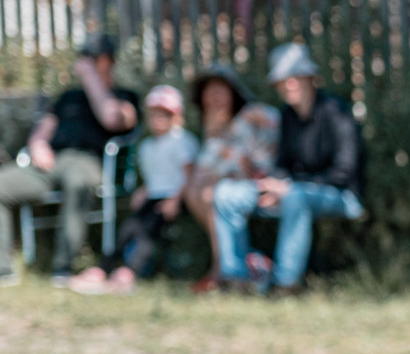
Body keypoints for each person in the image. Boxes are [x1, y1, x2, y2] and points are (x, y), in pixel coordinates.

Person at [211, 43, 365, 295]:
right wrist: (270, 186)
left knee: (296, 197)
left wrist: (289, 187)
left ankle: (285, 284)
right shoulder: (288, 116)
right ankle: (237, 278)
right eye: (283, 80)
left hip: (341, 196)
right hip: (292, 191)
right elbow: (283, 165)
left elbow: (343, 173)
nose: (289, 85)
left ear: (309, 79)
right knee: (226, 193)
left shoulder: (336, 112)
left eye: (294, 78)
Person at [0, 33, 141, 284]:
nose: (86, 63)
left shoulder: (125, 96)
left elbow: (112, 118)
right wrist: (38, 145)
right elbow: (43, 128)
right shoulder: (67, 97)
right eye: (84, 58)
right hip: (50, 163)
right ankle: (3, 270)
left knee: (78, 183)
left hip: (87, 162)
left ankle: (62, 268)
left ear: (109, 61)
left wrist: (90, 78)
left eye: (93, 58)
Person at [68, 86, 198, 293]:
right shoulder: (147, 146)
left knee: (147, 233)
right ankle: (104, 268)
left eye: (164, 114)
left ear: (175, 116)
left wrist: (175, 199)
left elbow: (189, 175)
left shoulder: (182, 141)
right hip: (154, 196)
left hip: (174, 197)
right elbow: (157, 177)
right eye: (155, 114)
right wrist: (143, 190)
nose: (158, 119)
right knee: (129, 229)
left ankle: (129, 272)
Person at [182, 64, 282, 292]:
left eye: (220, 91)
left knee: (208, 193)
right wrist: (213, 133)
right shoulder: (215, 126)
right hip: (234, 184)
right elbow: (205, 170)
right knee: (196, 191)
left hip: (261, 183)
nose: (214, 98)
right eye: (209, 92)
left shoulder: (251, 116)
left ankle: (224, 269)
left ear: (233, 93)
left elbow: (242, 164)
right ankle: (236, 261)